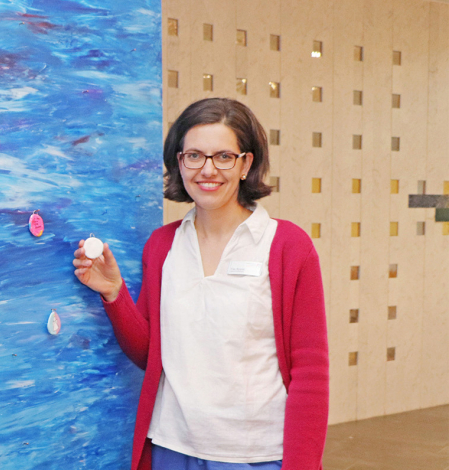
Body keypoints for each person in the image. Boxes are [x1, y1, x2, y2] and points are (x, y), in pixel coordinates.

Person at [73, 98, 329, 470]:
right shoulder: (162, 245)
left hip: (255, 455)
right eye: (194, 155)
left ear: (246, 164)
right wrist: (114, 293)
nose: (208, 170)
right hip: (172, 447)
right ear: (179, 163)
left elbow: (311, 372)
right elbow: (151, 355)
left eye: (223, 156)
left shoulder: (287, 246)